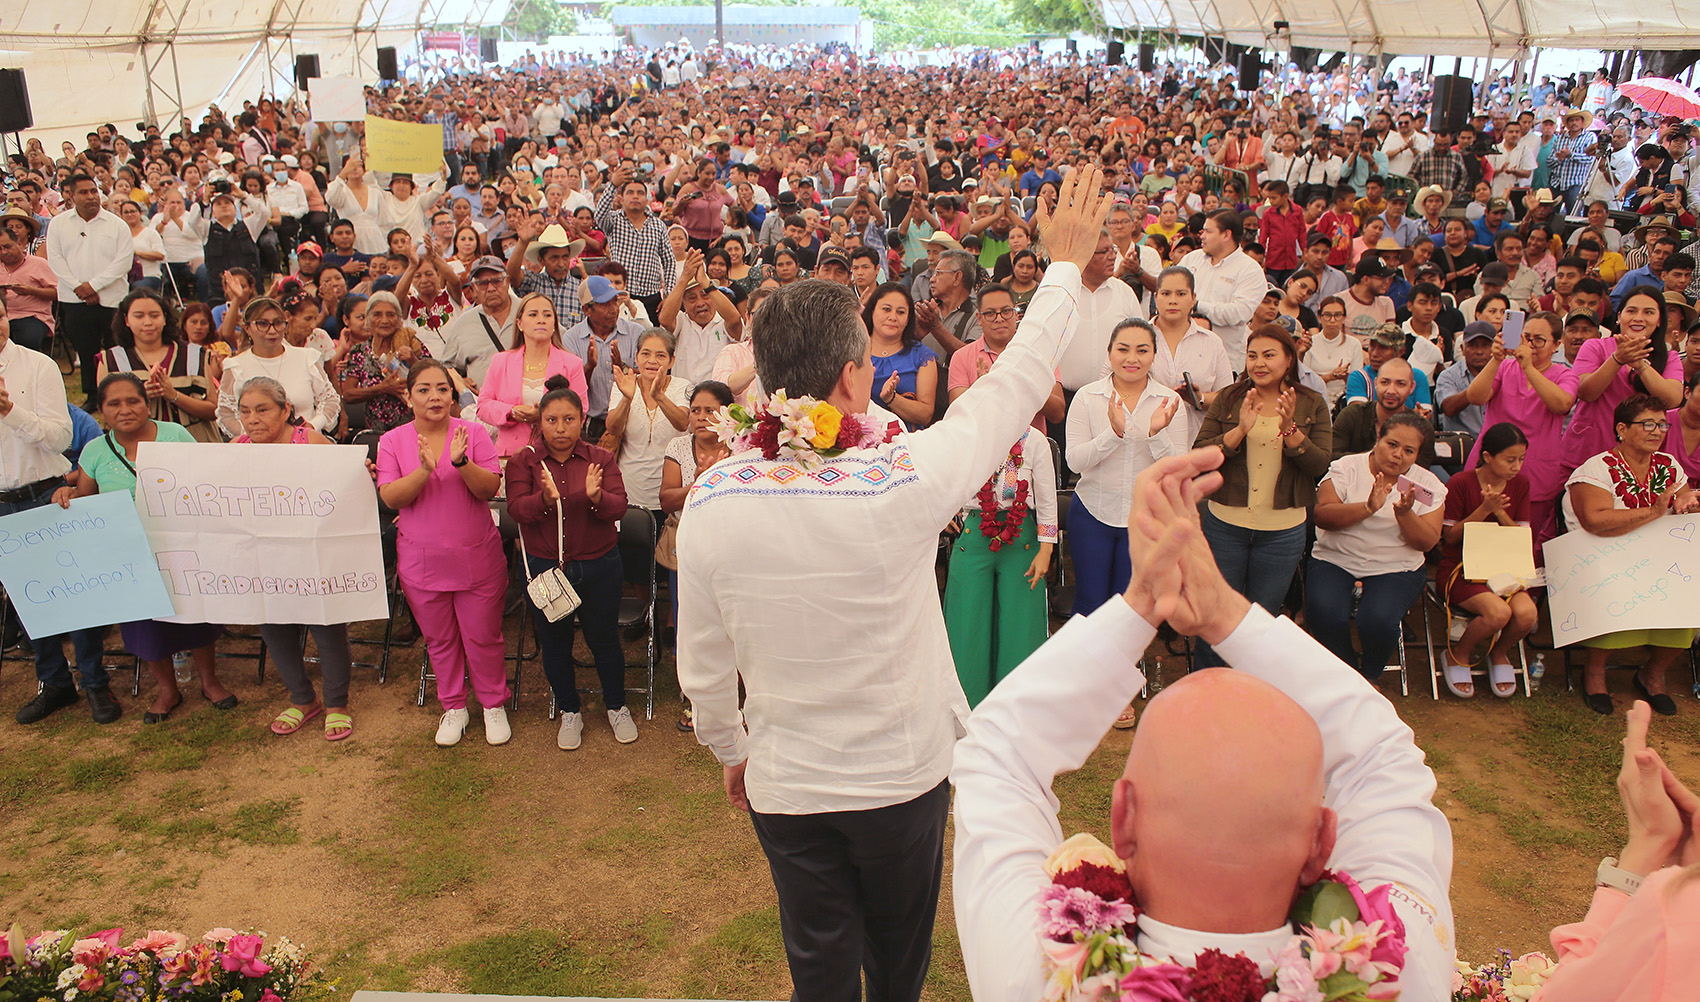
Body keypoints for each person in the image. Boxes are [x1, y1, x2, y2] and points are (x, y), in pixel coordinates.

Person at [677, 166, 1111, 1002]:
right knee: (898, 959)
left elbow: (701, 662)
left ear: (765, 383)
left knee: (819, 962)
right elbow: (1014, 385)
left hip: (788, 781)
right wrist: (1061, 269)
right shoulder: (904, 476)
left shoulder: (713, 495)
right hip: (902, 777)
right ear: (853, 379)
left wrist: (731, 750)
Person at [950, 449, 1454, 1002]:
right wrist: (1226, 616)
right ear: (1321, 844)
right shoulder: (1394, 968)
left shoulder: (1041, 972)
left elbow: (996, 753)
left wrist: (1138, 606)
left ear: (1121, 822)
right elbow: (1382, 756)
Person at [51, 372, 232, 721]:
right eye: (114, 404)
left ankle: (210, 682)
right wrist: (67, 493)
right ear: (101, 411)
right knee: (144, 624)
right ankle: (168, 690)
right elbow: (87, 501)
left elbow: (205, 481)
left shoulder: (175, 436)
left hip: (180, 544)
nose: (125, 409)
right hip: (129, 554)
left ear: (147, 404)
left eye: (133, 401)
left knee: (196, 616)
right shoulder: (95, 451)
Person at [377, 359, 510, 746]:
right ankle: (454, 706)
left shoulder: (473, 433)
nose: (434, 396)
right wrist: (422, 470)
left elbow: (489, 489)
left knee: (483, 636)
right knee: (440, 639)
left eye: (442, 389)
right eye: (424, 389)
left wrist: (460, 462)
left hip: (476, 559)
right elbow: (390, 497)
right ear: (408, 396)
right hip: (422, 562)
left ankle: (492, 704)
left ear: (453, 395)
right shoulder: (393, 441)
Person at [2, 307, 119, 725]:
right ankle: (54, 683)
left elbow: (60, 436)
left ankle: (94, 682)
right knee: (28, 599)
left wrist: (10, 411)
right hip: (2, 502)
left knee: (74, 594)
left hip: (46, 494)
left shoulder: (38, 366)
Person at [505, 375, 636, 749]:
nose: (560, 428)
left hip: (599, 566)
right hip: (547, 568)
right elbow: (516, 510)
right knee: (556, 642)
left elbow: (620, 505)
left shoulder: (602, 458)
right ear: (539, 422)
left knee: (604, 640)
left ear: (582, 421)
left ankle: (616, 706)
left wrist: (595, 497)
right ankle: (569, 711)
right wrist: (544, 501)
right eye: (551, 420)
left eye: (568, 420)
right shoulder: (524, 463)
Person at [1193, 325, 1333, 667]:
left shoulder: (1311, 402)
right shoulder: (1229, 398)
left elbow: (1320, 464)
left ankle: (1249, 693)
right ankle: (1207, 688)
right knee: (1215, 612)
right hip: (1225, 525)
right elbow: (1199, 455)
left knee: (1262, 617)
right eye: (1252, 355)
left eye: (1269, 355)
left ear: (1289, 359)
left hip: (1282, 531)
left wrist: (1291, 431)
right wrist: (1239, 430)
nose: (1259, 363)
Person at [228, 375, 352, 740]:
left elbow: (342, 489)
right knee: (273, 627)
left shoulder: (310, 440)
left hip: (312, 553)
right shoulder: (235, 448)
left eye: (262, 409)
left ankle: (336, 703)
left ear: (285, 410)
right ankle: (302, 697)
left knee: (326, 627)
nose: (253, 419)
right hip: (262, 558)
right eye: (245, 411)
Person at [1563, 394, 1700, 715]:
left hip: (1661, 557)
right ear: (1621, 429)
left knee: (1688, 593)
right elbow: (1595, 521)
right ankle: (1594, 672)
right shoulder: (1596, 468)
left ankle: (1652, 674)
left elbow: (1680, 503)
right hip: (1602, 557)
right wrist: (1654, 511)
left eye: (1662, 424)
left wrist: (1687, 505)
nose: (1657, 431)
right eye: (1647, 424)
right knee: (1618, 586)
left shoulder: (1668, 464)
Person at [1307, 412, 1446, 680]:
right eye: (1392, 444)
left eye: (1408, 450)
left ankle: (1369, 676)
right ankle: (1347, 672)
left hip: (1396, 567)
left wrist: (1405, 514)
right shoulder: (1347, 468)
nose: (1397, 455)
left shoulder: (1424, 486)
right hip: (1336, 559)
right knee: (1325, 612)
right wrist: (1368, 507)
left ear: (1418, 454)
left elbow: (1428, 541)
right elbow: (1322, 516)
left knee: (1378, 620)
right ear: (1378, 437)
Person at [1065, 317, 1186, 624]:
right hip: (1093, 512)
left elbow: (1178, 471)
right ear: (1109, 353)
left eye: (1142, 350)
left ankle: (1121, 670)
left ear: (1154, 355)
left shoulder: (1169, 402)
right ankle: (1088, 670)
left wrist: (1156, 433)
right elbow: (1075, 462)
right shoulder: (1088, 396)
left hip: (1145, 519)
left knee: (1130, 607)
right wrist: (1112, 435)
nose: (1132, 359)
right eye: (1123, 349)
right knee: (1090, 602)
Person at [944, 419, 1055, 709]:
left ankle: (1016, 710)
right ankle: (967, 709)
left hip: (1022, 541)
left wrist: (1046, 549)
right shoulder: (966, 433)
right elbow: (944, 476)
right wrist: (942, 511)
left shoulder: (1035, 441)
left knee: (1020, 626)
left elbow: (1047, 499)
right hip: (975, 534)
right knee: (967, 622)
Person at [1435, 423, 1539, 698]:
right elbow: (1450, 537)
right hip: (1463, 568)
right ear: (1488, 456)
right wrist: (1484, 509)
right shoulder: (1461, 482)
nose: (1516, 466)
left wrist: (1499, 513)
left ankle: (1499, 653)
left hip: (1503, 567)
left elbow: (1520, 536)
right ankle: (1459, 653)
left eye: (1521, 459)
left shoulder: (1521, 484)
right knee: (1498, 613)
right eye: (1510, 459)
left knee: (1527, 614)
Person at [1465, 312, 1579, 542]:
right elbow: (1475, 396)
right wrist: (1495, 359)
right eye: (1525, 337)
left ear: (1557, 344)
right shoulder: (1505, 368)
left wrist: (1528, 367)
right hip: (1488, 466)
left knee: (1524, 542)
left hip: (1535, 472)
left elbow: (1562, 404)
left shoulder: (1564, 374)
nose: (1530, 345)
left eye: (1539, 340)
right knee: (1478, 539)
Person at [1562, 287, 1686, 483]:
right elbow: (1585, 392)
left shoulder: (1669, 357)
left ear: (1659, 320)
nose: (1638, 318)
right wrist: (1617, 359)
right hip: (1588, 448)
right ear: (1619, 317)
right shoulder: (1595, 346)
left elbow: (1672, 399)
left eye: (1648, 312)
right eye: (1631, 311)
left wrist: (1641, 366)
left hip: (1638, 455)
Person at [46, 173, 133, 401]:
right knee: (86, 351)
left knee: (117, 349)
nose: (91, 197)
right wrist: (79, 288)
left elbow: (123, 262)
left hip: (112, 298)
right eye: (84, 192)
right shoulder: (58, 224)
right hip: (74, 300)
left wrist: (93, 286)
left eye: (93, 191)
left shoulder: (117, 224)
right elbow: (55, 260)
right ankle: (93, 397)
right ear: (71, 196)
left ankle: (122, 392)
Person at [477, 292, 589, 462]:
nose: (541, 320)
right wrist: (512, 412)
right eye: (533, 314)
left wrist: (546, 414)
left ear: (554, 324)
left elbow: (581, 411)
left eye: (547, 315)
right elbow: (483, 406)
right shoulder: (501, 361)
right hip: (510, 456)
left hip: (557, 457)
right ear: (519, 324)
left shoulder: (572, 363)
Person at [95, 288, 220, 441]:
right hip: (137, 445)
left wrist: (173, 395)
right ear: (126, 320)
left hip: (194, 441)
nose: (148, 322)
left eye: (154, 315)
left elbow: (213, 410)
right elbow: (106, 415)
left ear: (165, 318)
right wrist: (139, 397)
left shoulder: (194, 354)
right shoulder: (111, 360)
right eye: (139, 316)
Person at [216, 297, 339, 439]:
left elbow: (330, 400)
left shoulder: (307, 358)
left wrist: (311, 426)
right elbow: (226, 414)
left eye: (278, 323)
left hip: (304, 443)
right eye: (262, 324)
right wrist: (252, 435)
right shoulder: (235, 366)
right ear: (248, 329)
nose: (272, 330)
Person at [604, 328, 689, 510]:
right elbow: (613, 428)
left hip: (669, 493)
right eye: (645, 353)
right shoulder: (623, 384)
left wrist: (659, 396)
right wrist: (627, 398)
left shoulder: (682, 386)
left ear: (671, 360)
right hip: (629, 491)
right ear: (636, 357)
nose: (652, 361)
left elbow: (682, 423)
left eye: (660, 355)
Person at [1147, 266, 1232, 446]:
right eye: (1166, 294)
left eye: (1181, 294)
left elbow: (1227, 398)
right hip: (1144, 441)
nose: (1173, 301)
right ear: (1155, 298)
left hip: (1194, 443)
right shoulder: (1136, 337)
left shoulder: (1212, 343)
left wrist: (1198, 398)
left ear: (1193, 299)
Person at [1178, 209, 1265, 362]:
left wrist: (1197, 305)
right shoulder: (1191, 259)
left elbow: (1238, 313)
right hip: (1182, 353)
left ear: (1226, 235)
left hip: (1223, 359)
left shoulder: (1250, 269)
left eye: (1208, 231)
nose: (1202, 236)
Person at [660, 248, 741, 385]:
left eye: (705, 295)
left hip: (717, 399)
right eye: (692, 299)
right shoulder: (681, 320)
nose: (700, 303)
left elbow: (735, 319)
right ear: (684, 304)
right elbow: (664, 319)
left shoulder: (723, 321)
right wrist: (685, 277)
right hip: (682, 399)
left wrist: (705, 283)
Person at [864, 282, 939, 430]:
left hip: (906, 443)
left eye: (900, 312)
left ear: (908, 318)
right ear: (872, 310)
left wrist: (892, 399)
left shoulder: (923, 356)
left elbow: (926, 415)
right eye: (886, 309)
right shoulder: (853, 349)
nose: (893, 317)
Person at [1304, 295, 1362, 407]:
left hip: (1343, 400)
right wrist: (1329, 377)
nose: (1332, 320)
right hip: (1314, 398)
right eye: (1327, 315)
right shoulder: (1310, 343)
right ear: (1319, 317)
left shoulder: (1354, 344)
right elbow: (1305, 383)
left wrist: (1346, 377)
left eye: (1338, 315)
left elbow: (1357, 382)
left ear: (1344, 318)